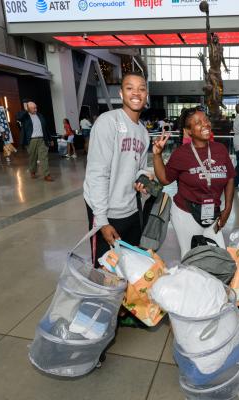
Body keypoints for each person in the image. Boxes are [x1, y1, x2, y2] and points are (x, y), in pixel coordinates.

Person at [84, 71, 150, 268]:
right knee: (106, 272)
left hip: (130, 209)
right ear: (121, 93)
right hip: (106, 211)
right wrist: (102, 221)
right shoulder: (108, 122)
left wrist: (144, 179)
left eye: (141, 89)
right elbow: (97, 173)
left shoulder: (143, 132)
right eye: (130, 88)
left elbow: (139, 168)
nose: (136, 93)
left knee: (129, 268)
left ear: (146, 95)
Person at [152, 107, 235, 257]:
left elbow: (229, 177)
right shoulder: (181, 153)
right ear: (188, 131)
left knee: (219, 256)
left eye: (206, 120)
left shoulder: (220, 149)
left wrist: (228, 207)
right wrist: (157, 155)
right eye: (198, 123)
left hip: (213, 213)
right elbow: (164, 179)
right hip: (186, 213)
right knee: (191, 257)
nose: (205, 124)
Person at [17, 101, 54, 181]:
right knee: (33, 157)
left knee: (44, 157)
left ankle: (46, 175)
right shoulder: (25, 116)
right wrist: (26, 111)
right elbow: (18, 117)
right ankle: (32, 171)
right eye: (33, 108)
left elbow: (46, 128)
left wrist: (50, 139)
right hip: (31, 140)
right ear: (28, 108)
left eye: (36, 107)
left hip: (42, 139)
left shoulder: (40, 115)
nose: (36, 109)